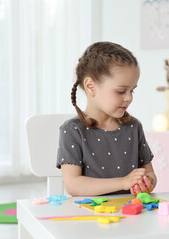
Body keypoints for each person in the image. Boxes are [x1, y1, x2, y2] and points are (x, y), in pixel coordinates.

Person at [56, 42, 157, 197]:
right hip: (90, 216)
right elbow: (73, 185)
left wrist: (147, 182)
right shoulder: (73, 130)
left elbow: (150, 173)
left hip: (130, 214)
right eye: (121, 91)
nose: (129, 98)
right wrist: (123, 182)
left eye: (132, 91)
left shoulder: (133, 126)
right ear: (91, 87)